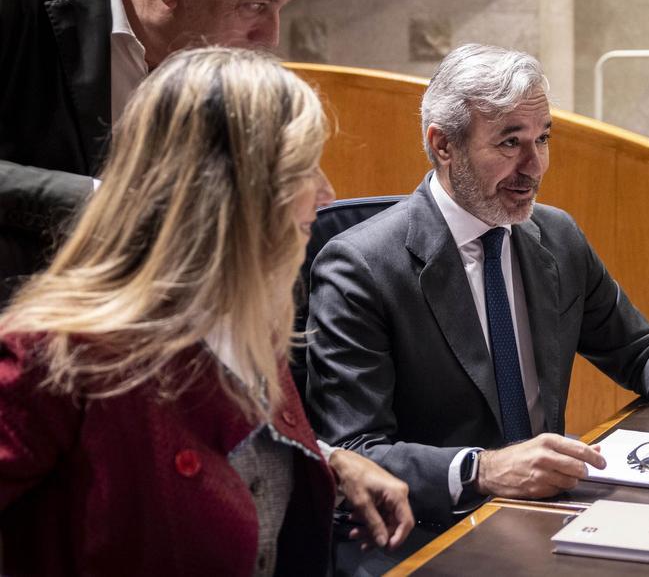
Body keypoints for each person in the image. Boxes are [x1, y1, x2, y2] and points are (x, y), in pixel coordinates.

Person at [305, 44, 649, 545]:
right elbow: (353, 449)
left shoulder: (557, 236)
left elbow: (638, 347)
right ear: (443, 145)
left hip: (552, 515)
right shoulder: (361, 265)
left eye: (543, 138)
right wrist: (481, 469)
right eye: (510, 143)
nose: (535, 166)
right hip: (434, 530)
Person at [0, 48, 414, 576]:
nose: (327, 193)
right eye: (304, 169)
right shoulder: (55, 353)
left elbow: (241, 460)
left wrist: (331, 461)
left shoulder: (250, 326)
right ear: (235, 194)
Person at [0, 0, 307, 302]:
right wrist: (108, 203)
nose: (270, 37)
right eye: (255, 5)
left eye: (279, 8)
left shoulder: (216, 68)